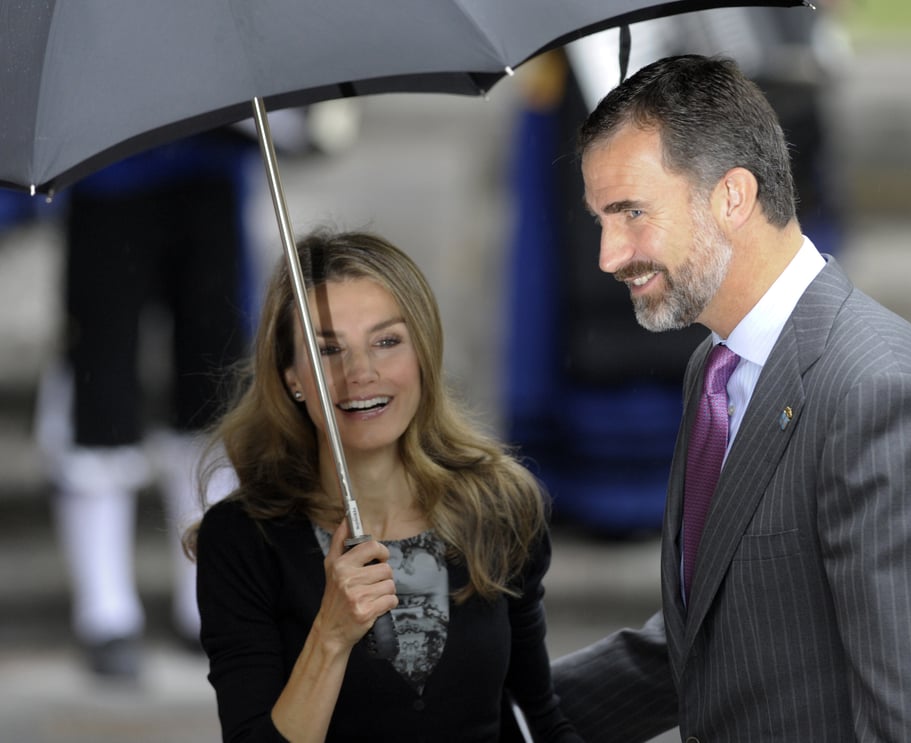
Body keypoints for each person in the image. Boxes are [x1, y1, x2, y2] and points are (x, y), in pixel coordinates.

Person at [551, 55, 911, 741]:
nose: (608, 254)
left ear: (732, 197)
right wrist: (506, 707)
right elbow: (716, 633)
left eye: (632, 213)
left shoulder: (883, 398)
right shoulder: (716, 366)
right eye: (601, 219)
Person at [185, 230, 582, 742]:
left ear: (423, 353)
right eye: (328, 350)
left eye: (387, 341)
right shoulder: (242, 539)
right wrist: (330, 635)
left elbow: (542, 717)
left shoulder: (500, 506)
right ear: (292, 379)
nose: (361, 374)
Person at [34, 129, 255, 680]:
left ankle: (206, 597)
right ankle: (104, 608)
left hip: (213, 158)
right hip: (104, 166)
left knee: (216, 380)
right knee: (99, 379)